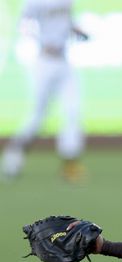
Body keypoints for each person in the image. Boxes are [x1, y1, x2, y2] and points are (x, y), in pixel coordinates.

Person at [2, 0, 87, 183]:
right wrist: (41, 40)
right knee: (37, 116)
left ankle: (70, 165)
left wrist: (77, 31)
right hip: (43, 61)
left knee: (72, 111)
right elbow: (23, 25)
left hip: (64, 60)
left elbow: (67, 21)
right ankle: (14, 155)